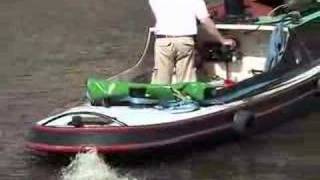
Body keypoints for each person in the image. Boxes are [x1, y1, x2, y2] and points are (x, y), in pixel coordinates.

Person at [149, 0, 235, 84]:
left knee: (160, 81)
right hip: (185, 41)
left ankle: (160, 96)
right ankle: (185, 95)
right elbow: (205, 20)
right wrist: (222, 40)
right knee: (186, 82)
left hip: (163, 40)